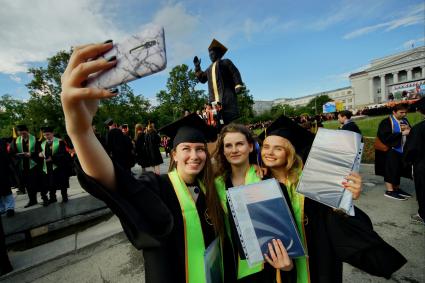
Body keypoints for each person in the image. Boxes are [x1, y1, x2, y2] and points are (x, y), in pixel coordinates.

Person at [60, 41, 226, 283]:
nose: (194, 155)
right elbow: (115, 182)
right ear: (174, 154)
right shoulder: (157, 187)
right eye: (186, 149)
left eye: (200, 149)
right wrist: (82, 133)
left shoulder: (212, 188)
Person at [258, 115, 407, 283]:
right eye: (266, 146)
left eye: (278, 148)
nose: (269, 152)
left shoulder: (313, 180)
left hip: (319, 251)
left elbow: (336, 216)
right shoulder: (259, 185)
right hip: (281, 259)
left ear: (290, 152)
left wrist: (346, 200)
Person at [213, 124, 294, 282]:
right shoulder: (214, 185)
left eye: (240, 144)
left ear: (250, 147)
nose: (234, 150)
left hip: (266, 267)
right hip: (230, 266)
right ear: (223, 151)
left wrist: (288, 265)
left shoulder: (268, 182)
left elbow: (285, 230)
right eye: (228, 145)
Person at [194, 39, 244, 125]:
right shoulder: (209, 69)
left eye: (212, 54)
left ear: (218, 53)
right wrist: (198, 68)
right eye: (209, 55)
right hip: (214, 99)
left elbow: (234, 72)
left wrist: (238, 84)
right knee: (218, 120)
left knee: (230, 118)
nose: (210, 56)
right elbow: (202, 79)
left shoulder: (225, 62)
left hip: (227, 96)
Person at [375, 104, 412, 200]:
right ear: (394, 112)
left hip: (402, 150)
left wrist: (409, 131)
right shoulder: (386, 122)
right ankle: (389, 190)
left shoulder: (405, 120)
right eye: (401, 112)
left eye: (405, 112)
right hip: (390, 150)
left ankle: (396, 189)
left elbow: (409, 132)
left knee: (398, 170)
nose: (404, 114)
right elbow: (384, 137)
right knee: (390, 170)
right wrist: (401, 133)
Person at [10, 124, 46, 207]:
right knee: (28, 184)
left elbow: (41, 151)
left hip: (35, 165)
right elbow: (12, 153)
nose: (22, 134)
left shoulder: (35, 139)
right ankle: (32, 200)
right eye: (20, 133)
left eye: (24, 133)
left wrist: (32, 154)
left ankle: (45, 199)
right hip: (23, 166)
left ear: (27, 131)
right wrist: (19, 155)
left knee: (40, 182)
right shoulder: (16, 141)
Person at [404, 97, 425, 225]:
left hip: (422, 164)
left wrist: (407, 161)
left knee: (423, 189)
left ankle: (422, 215)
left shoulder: (418, 129)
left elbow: (411, 150)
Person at [39, 126, 71, 203]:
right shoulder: (43, 144)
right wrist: (40, 154)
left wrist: (52, 158)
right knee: (51, 183)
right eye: (44, 135)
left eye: (48, 134)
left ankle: (64, 197)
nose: (46, 137)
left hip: (60, 165)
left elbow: (64, 154)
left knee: (62, 182)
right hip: (49, 166)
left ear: (52, 133)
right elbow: (42, 153)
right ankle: (52, 198)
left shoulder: (60, 142)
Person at [0, 138, 15, 217]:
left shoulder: (2, 141)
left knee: (6, 189)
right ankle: (1, 209)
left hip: (2, 170)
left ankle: (10, 208)